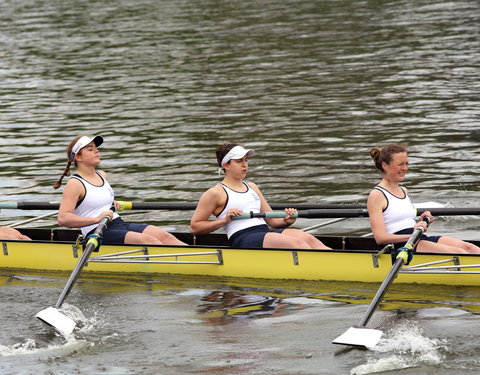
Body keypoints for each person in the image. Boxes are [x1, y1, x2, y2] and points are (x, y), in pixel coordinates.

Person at [190, 143, 330, 249]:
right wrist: (225, 220)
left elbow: (273, 221)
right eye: (239, 161)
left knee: (311, 241)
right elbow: (195, 227)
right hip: (243, 237)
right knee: (298, 244)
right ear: (226, 165)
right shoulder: (215, 193)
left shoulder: (252, 187)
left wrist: (288, 220)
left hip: (263, 232)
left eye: (246, 160)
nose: (245, 165)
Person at [54, 135, 186, 246]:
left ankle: (201, 258)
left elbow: (96, 199)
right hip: (97, 231)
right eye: (90, 149)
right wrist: (96, 219)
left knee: (164, 236)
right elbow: (63, 218)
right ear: (78, 157)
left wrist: (111, 202)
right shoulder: (75, 184)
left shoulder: (102, 175)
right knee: (148, 241)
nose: (97, 151)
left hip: (118, 223)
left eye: (96, 148)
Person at [367, 143, 480, 254]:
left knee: (470, 248)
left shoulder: (403, 190)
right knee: (459, 252)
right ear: (385, 165)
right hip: (401, 246)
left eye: (407, 163)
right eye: (400, 164)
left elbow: (403, 220)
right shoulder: (377, 195)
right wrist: (415, 234)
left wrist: (423, 221)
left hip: (416, 238)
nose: (405, 168)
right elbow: (380, 238)